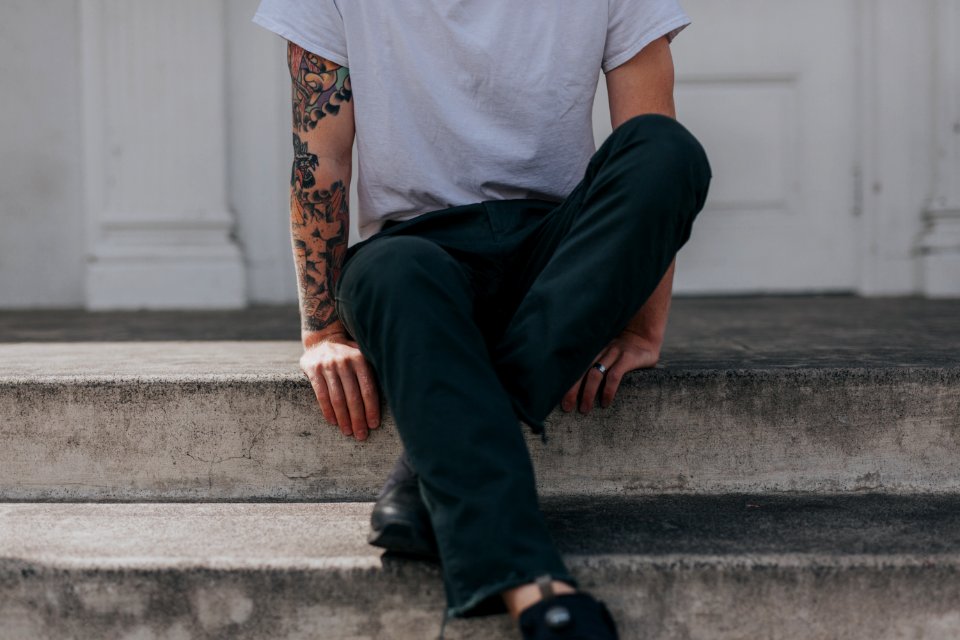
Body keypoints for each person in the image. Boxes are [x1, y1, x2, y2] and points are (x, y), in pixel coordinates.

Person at [254, 2, 710, 637]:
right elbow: (320, 161)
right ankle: (534, 588)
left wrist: (639, 323)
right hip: (415, 261)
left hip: (555, 257)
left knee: (667, 150)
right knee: (393, 272)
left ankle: (426, 477)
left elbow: (651, 140)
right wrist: (324, 330)